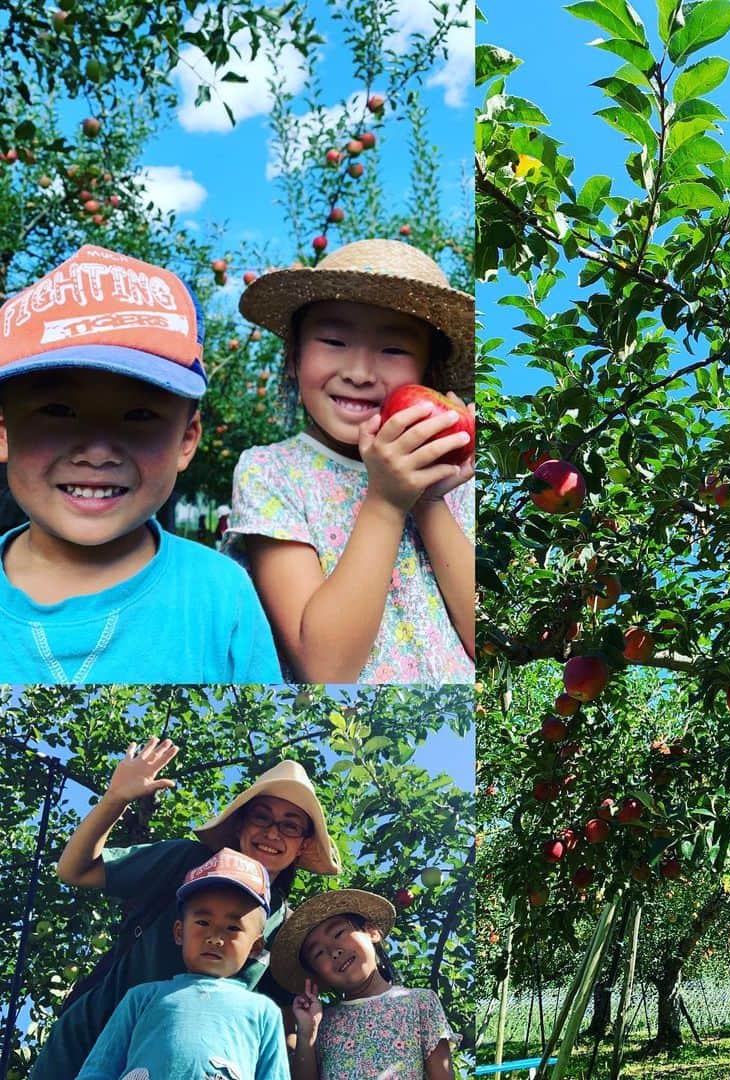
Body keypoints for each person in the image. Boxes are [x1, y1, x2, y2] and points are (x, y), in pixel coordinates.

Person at [0, 243, 281, 682]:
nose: (97, 452)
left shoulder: (221, 598)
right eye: (57, 411)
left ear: (186, 440)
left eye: (139, 416)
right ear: (3, 430)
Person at [226, 239, 474, 684]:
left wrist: (428, 498)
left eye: (394, 350)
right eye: (334, 341)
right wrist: (386, 502)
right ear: (296, 356)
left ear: (428, 372)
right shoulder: (272, 473)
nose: (359, 372)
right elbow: (326, 669)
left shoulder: (454, 478)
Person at [30, 742, 341, 1080]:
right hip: (88, 1042)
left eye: (289, 825)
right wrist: (115, 799)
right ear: (240, 826)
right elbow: (74, 870)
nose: (270, 832)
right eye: (261, 817)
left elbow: (281, 1026)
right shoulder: (187, 862)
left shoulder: (285, 930)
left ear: (303, 846)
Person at [76, 848, 290, 1080]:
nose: (215, 938)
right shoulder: (141, 998)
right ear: (179, 932)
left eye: (233, 928)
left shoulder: (264, 1012)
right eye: (202, 922)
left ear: (256, 947)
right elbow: (99, 1069)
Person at [269, 889, 455, 1080]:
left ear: (372, 932)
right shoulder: (322, 1024)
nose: (333, 951)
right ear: (319, 976)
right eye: (318, 953)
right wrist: (307, 1033)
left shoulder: (420, 1002)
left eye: (338, 933)